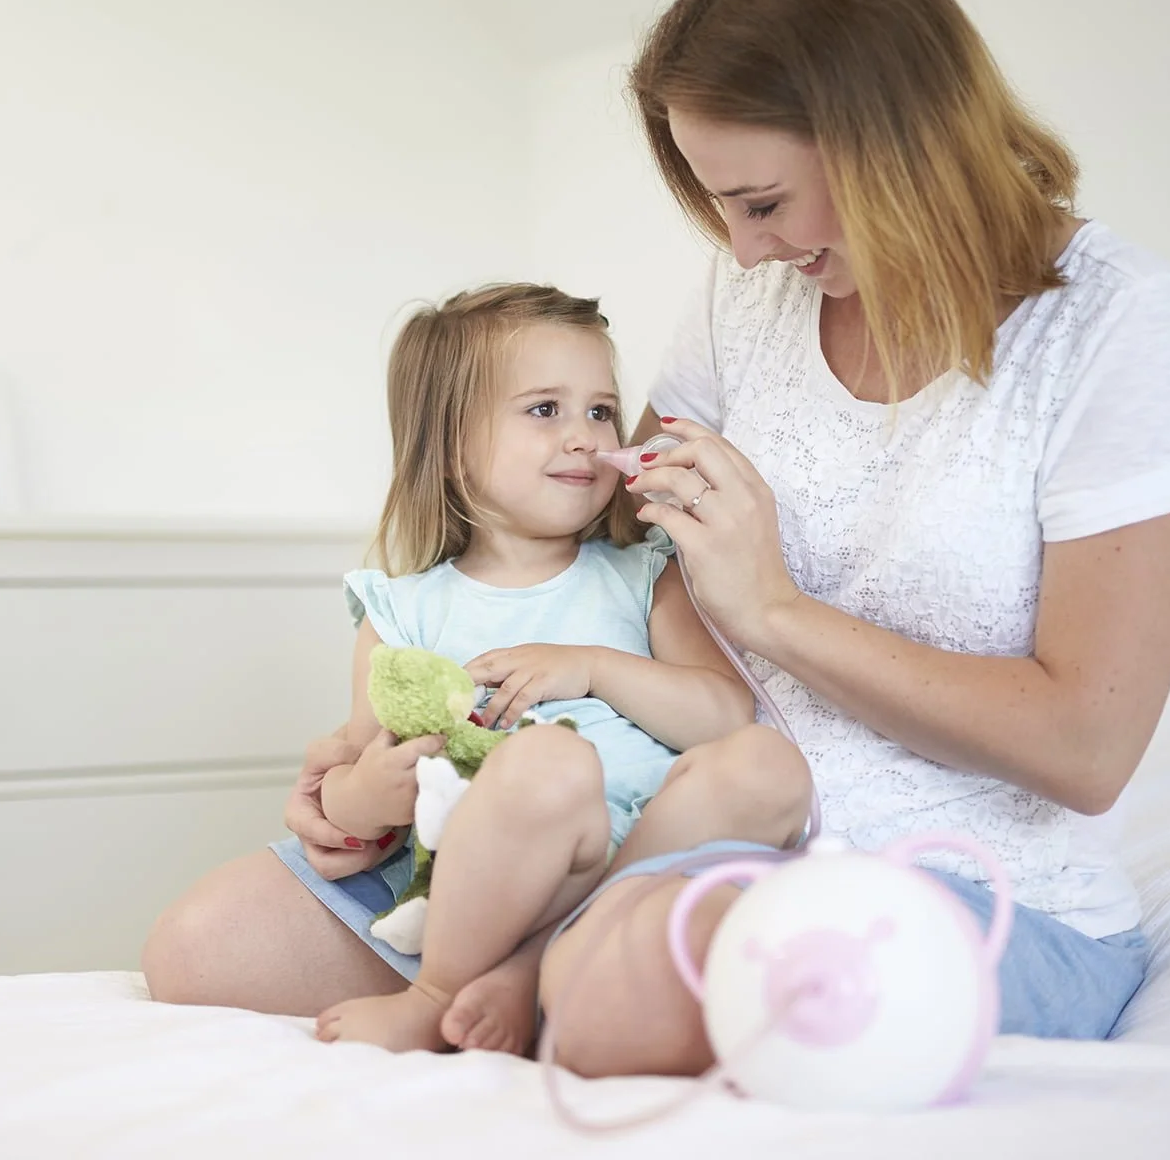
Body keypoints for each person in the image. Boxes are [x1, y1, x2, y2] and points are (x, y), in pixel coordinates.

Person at [531, 0, 1170, 1078]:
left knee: (630, 981)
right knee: (221, 947)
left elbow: (1087, 743)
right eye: (723, 210)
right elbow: (617, 529)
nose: (744, 251)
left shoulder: (1122, 325)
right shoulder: (748, 294)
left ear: (896, 143)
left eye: (764, 203)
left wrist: (774, 611)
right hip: (719, 819)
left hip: (983, 887)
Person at [142, 284, 811, 1055]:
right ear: (452, 442)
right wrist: (367, 796)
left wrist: (595, 669)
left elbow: (725, 716)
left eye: (601, 410)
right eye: (544, 410)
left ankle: (501, 977)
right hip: (480, 867)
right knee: (544, 765)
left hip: (637, 860)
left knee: (770, 767)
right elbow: (356, 785)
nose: (586, 438)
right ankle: (460, 981)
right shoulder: (403, 610)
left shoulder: (645, 573)